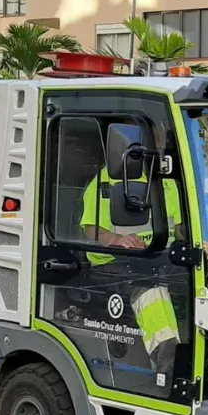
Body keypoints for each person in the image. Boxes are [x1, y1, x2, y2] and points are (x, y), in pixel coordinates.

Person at [79, 123, 186, 379]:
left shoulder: (166, 182)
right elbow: (90, 230)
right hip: (113, 262)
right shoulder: (107, 181)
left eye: (161, 136)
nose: (160, 143)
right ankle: (167, 367)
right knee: (152, 288)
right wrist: (117, 238)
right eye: (154, 136)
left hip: (160, 256)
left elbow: (180, 229)